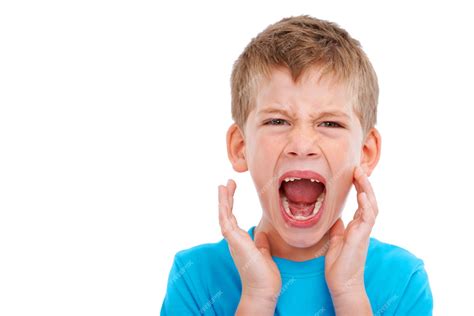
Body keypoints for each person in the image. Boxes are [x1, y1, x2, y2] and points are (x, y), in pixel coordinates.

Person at [160, 15, 433, 315]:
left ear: (366, 152)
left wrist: (349, 293)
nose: (302, 145)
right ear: (241, 148)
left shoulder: (404, 280)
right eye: (277, 121)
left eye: (329, 123)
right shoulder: (195, 277)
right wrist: (257, 298)